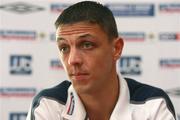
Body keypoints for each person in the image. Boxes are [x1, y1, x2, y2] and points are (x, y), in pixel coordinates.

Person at [26, 1, 177, 120]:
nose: (73, 60)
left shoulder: (153, 105)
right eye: (64, 48)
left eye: (87, 45)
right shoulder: (49, 105)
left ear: (116, 48)